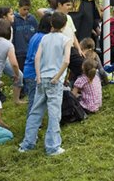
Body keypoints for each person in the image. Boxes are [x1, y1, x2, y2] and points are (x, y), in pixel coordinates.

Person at [19, 11, 72, 156]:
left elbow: (37, 58)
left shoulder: (44, 38)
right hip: (55, 80)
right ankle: (53, 147)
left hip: (41, 78)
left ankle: (27, 144)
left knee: (35, 112)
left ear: (51, 23)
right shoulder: (66, 40)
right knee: (54, 114)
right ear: (65, 24)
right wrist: (58, 76)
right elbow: (66, 61)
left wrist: (38, 75)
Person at [23, 14, 52, 117]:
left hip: (28, 71)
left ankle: (34, 123)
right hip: (34, 73)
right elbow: (38, 58)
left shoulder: (36, 35)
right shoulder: (44, 38)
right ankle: (32, 125)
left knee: (33, 98)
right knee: (34, 100)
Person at [0, 6, 24, 104]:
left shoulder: (10, 28)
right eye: (11, 14)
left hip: (5, 59)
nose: (13, 16)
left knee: (19, 76)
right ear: (4, 17)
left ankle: (16, 100)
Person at [55, 0, 84, 83]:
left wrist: (79, 49)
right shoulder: (53, 17)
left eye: (70, 5)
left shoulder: (69, 18)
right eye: (67, 5)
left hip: (71, 48)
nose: (69, 7)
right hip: (59, 49)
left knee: (82, 66)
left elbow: (73, 34)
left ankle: (76, 87)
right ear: (59, 4)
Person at [12, 0, 38, 72]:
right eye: (24, 9)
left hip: (32, 52)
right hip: (19, 53)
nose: (26, 11)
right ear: (19, 7)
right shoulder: (14, 19)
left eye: (28, 9)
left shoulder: (32, 19)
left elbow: (37, 33)